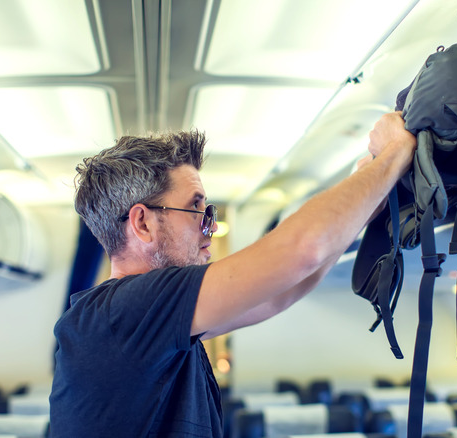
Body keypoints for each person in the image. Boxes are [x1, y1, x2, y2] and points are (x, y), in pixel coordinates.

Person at [48, 111, 417, 437]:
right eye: (199, 212)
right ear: (142, 223)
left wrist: (367, 194)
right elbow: (302, 250)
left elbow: (283, 290)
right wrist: (394, 154)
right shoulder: (122, 312)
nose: (210, 231)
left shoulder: (144, 324)